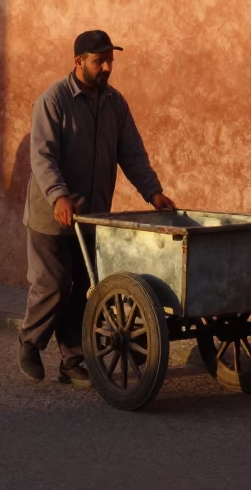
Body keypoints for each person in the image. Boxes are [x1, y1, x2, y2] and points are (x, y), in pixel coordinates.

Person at [19, 30, 175, 387]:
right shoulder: (53, 100)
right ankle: (29, 341)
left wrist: (153, 192)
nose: (106, 67)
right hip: (51, 215)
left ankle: (72, 362)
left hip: (92, 217)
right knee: (54, 285)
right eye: (98, 61)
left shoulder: (115, 103)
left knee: (84, 289)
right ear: (78, 62)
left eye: (110, 61)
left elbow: (131, 153)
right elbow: (42, 156)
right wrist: (58, 195)